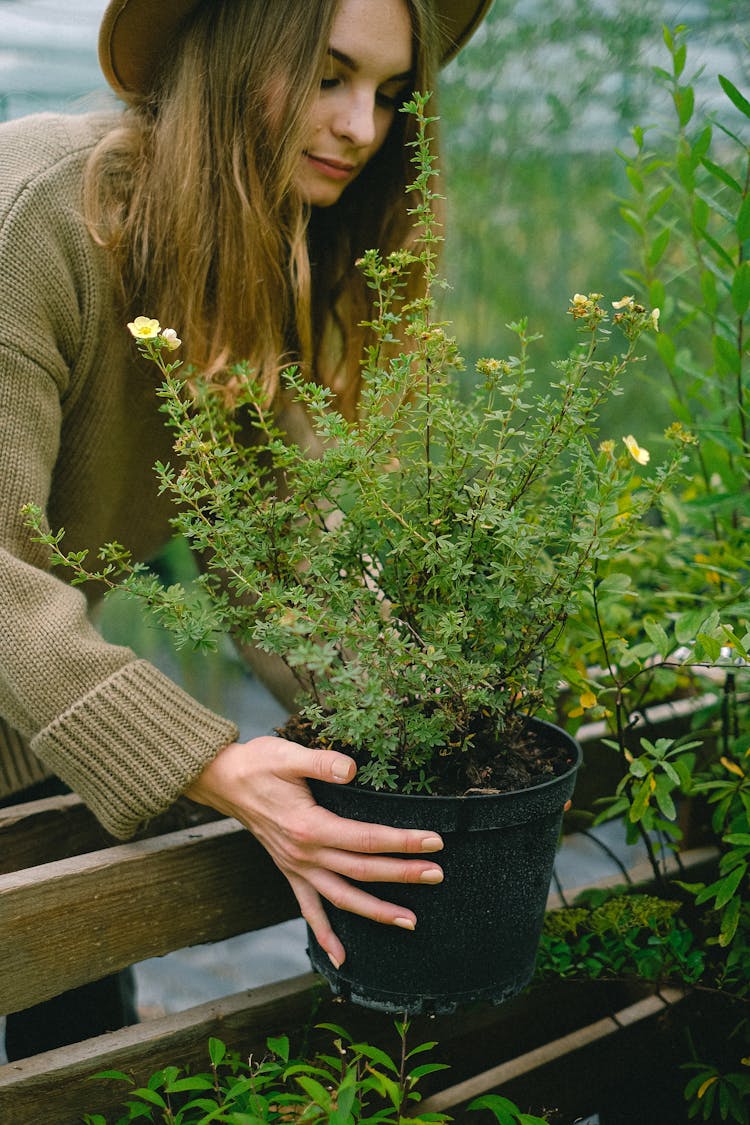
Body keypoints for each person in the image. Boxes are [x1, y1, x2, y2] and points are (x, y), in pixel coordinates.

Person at [0, 0, 492, 1057]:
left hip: (27, 726)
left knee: (82, 1055)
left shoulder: (238, 258)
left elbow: (282, 555)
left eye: (390, 94)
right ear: (230, 57)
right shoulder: (40, 209)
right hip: (33, 691)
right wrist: (212, 763)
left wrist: (437, 725)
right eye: (327, 74)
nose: (364, 126)